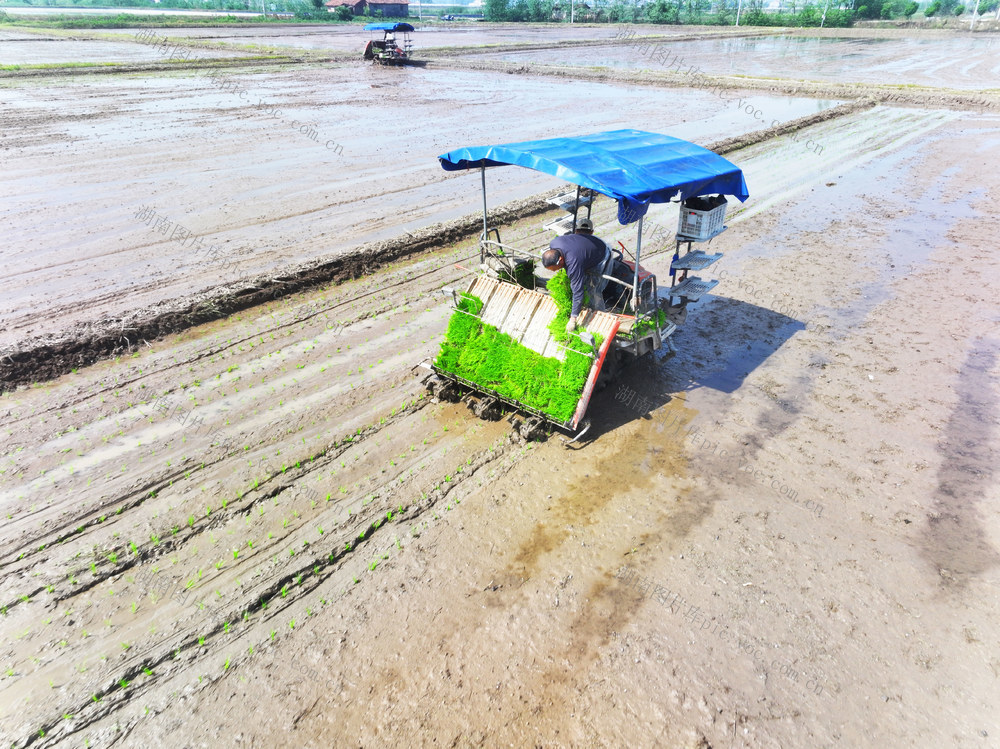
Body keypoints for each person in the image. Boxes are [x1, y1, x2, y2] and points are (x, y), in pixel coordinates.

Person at [542, 218, 611, 333]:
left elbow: (578, 292)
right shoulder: (554, 243)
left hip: (600, 252)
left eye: (556, 269)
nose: (555, 271)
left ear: (560, 259)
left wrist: (573, 319)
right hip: (582, 249)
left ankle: (599, 311)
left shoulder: (573, 262)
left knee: (593, 287)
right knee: (578, 279)